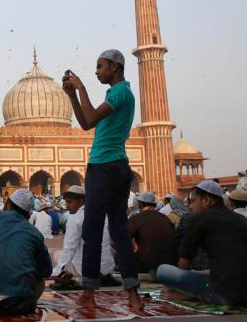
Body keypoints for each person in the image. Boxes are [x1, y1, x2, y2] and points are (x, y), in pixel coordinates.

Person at [62, 49, 142, 311]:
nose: (97, 70)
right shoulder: (120, 94)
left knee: (93, 230)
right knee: (119, 229)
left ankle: (89, 293)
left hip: (103, 166)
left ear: (115, 67)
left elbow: (92, 117)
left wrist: (82, 87)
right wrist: (72, 95)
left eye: (100, 66)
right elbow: (86, 124)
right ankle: (132, 293)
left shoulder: (119, 92)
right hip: (119, 166)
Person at [157, 180, 247, 307]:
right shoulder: (241, 218)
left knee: (163, 270)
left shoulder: (197, 219)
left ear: (207, 200)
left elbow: (183, 265)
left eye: (193, 201)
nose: (190, 207)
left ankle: (193, 294)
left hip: (225, 294)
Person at [51, 186, 115, 289]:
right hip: (107, 268)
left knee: (57, 255)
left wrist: (58, 272)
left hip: (85, 269)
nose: (67, 206)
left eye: (69, 202)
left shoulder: (75, 218)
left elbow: (69, 248)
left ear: (81, 201)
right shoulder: (103, 215)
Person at [128, 192, 177, 277]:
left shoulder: (136, 219)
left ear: (139, 204)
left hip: (147, 264)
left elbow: (125, 239)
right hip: (170, 265)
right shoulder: (165, 218)